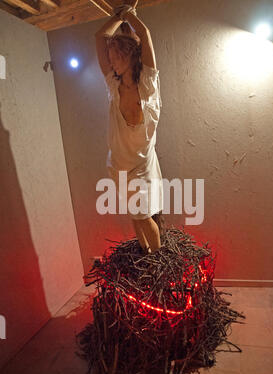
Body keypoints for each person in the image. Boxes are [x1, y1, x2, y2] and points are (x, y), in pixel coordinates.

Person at [95, 1, 165, 254]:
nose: (111, 63)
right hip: (119, 165)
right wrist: (117, 15)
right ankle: (144, 252)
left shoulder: (147, 85)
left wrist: (129, 14)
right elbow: (100, 36)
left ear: (130, 56)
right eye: (110, 59)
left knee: (144, 214)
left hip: (142, 164)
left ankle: (156, 260)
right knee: (135, 214)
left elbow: (144, 35)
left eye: (116, 58)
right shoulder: (113, 86)